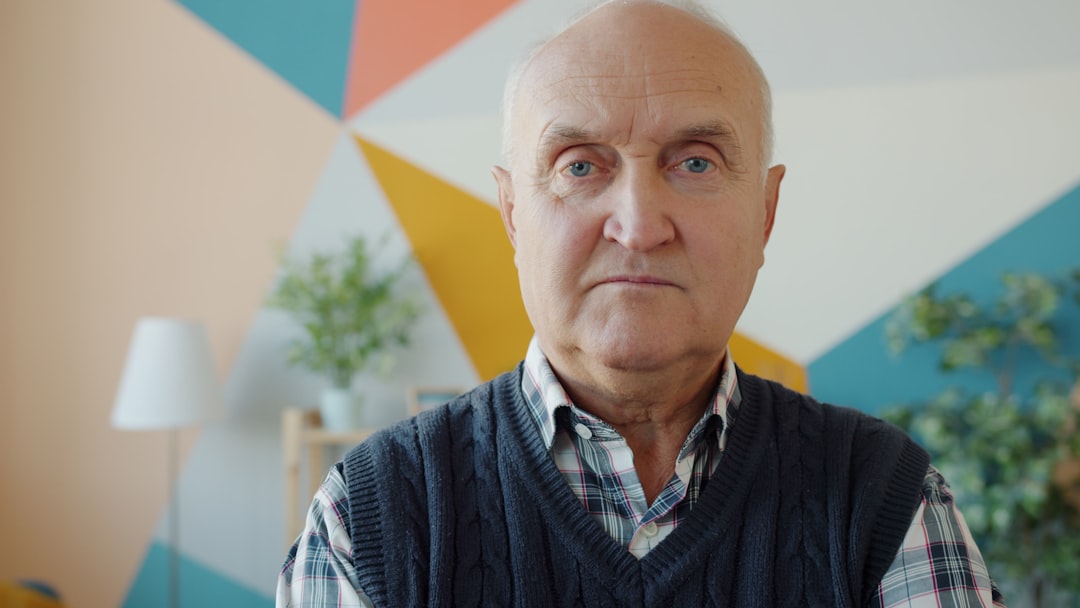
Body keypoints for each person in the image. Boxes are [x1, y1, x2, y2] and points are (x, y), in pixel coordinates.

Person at [277, 1, 1006, 606]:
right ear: (510, 214)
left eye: (695, 162)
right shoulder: (368, 519)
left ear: (765, 214)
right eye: (580, 166)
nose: (638, 224)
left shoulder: (883, 499)